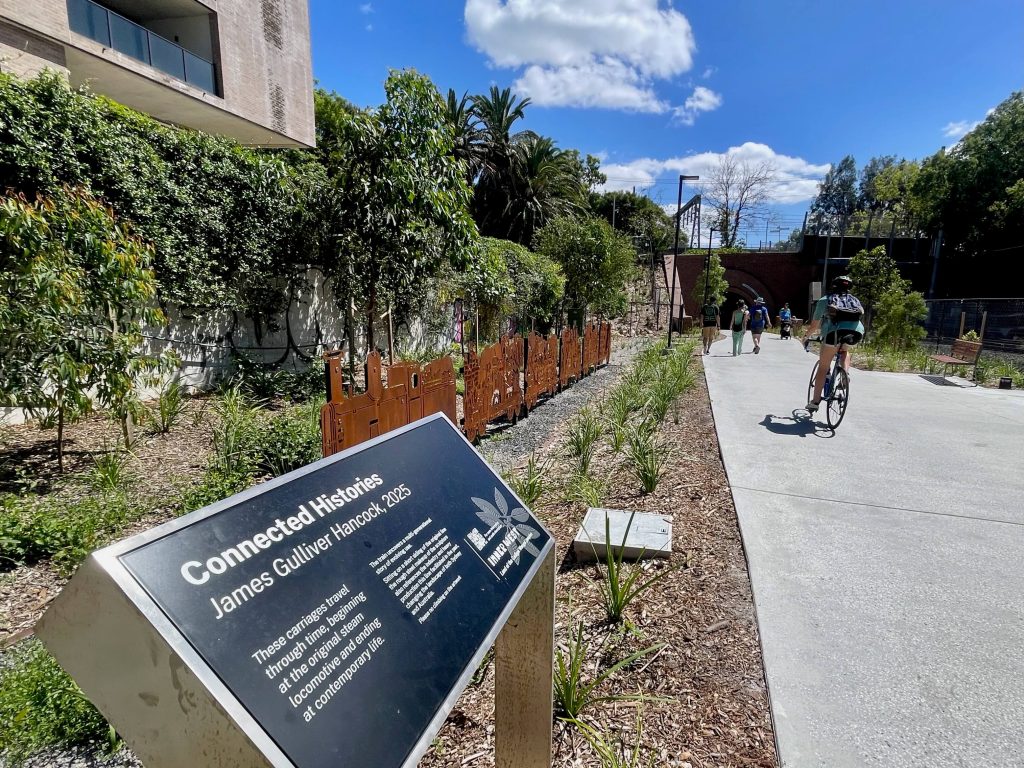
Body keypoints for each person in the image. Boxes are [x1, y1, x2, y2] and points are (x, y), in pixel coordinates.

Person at [802, 275, 865, 412]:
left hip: (834, 333)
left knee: (823, 368)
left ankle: (815, 401)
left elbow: (814, 325)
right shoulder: (854, 300)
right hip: (856, 333)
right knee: (844, 351)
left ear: (833, 286)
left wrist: (806, 336)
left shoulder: (825, 300)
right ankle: (845, 374)